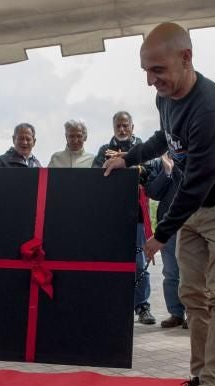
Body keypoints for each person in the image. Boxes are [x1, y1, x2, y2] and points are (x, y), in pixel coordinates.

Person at [104, 22, 215, 386]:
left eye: (157, 70)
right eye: (145, 70)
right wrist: (129, 157)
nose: (150, 80)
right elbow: (164, 138)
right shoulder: (167, 97)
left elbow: (197, 182)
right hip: (196, 207)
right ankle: (198, 382)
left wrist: (160, 234)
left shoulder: (211, 109)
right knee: (193, 296)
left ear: (186, 58)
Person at [93, 111, 157, 325]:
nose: (122, 129)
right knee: (111, 261)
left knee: (139, 262)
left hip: (137, 214)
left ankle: (143, 306)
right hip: (111, 214)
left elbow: (149, 175)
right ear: (113, 127)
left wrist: (126, 162)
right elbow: (96, 176)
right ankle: (113, 304)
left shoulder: (142, 148)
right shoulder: (103, 150)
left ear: (132, 126)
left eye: (125, 125)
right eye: (118, 126)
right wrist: (109, 163)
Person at [143, 153, 187, 328]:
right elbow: (152, 192)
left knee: (193, 273)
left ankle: (194, 314)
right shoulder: (160, 162)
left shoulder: (196, 153)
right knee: (171, 273)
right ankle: (176, 313)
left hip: (192, 223)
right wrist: (166, 172)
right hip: (167, 226)